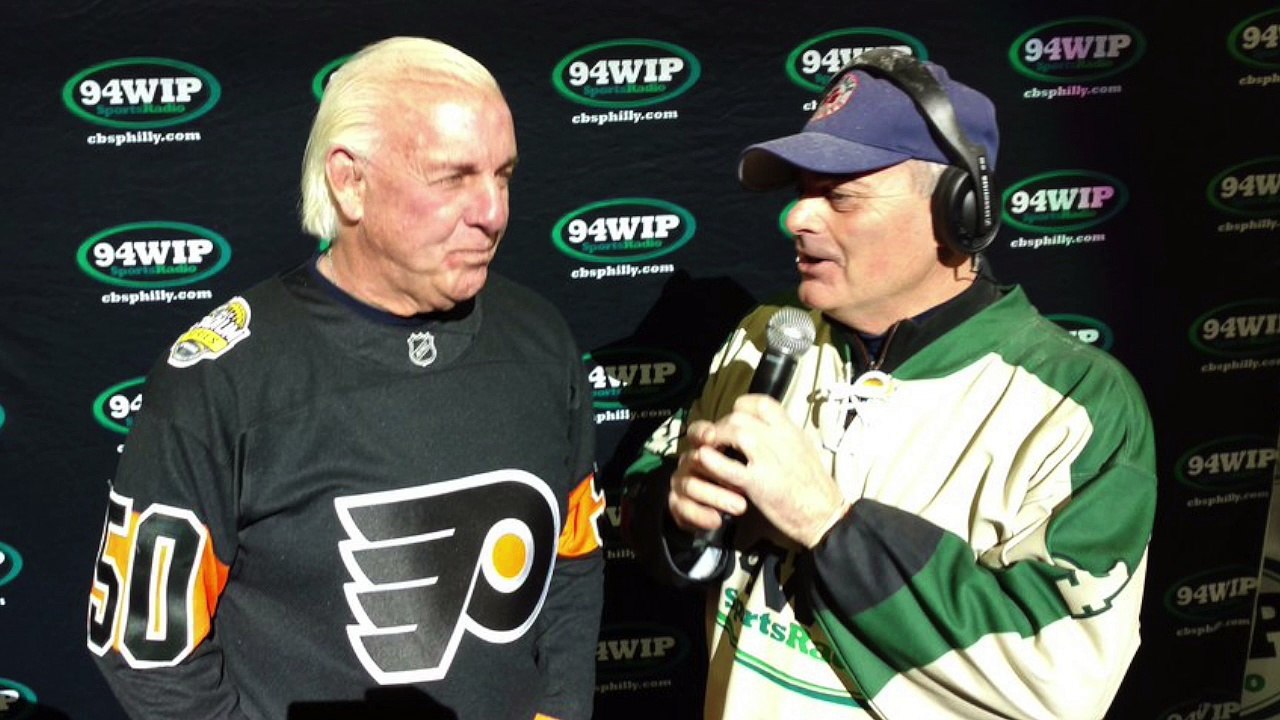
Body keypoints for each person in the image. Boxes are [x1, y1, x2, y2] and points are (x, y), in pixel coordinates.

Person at [621, 49, 1155, 719]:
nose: (796, 219)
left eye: (839, 196)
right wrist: (678, 515)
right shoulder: (765, 336)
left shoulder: (1078, 404)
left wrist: (828, 524)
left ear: (960, 212)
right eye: (800, 192)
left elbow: (1062, 680)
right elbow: (648, 496)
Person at [86, 36, 604, 720]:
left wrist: (560, 709)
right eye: (454, 177)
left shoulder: (539, 340)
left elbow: (574, 559)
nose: (493, 212)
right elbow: (146, 649)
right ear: (350, 181)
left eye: (503, 175)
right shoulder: (224, 381)